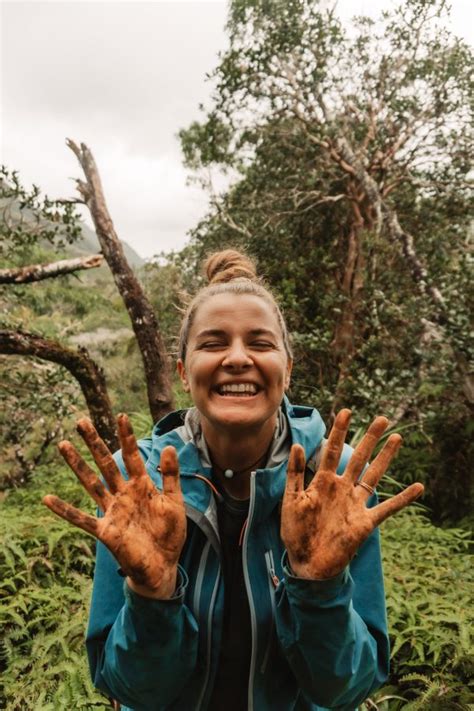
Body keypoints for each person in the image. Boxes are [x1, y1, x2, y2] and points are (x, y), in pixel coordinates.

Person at [43, 249, 423, 711]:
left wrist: (318, 588)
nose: (238, 358)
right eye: (213, 342)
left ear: (287, 368)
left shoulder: (335, 487)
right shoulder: (137, 488)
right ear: (184, 371)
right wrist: (152, 595)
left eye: (260, 343)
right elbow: (130, 689)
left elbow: (345, 689)